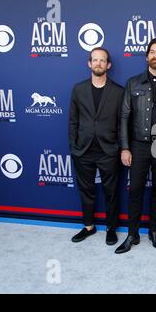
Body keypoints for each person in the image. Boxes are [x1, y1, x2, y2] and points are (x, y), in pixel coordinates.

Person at [115, 38, 156, 254]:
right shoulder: (133, 83)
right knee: (135, 190)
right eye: (152, 52)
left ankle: (153, 231)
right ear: (146, 57)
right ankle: (132, 234)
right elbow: (124, 116)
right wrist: (125, 148)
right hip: (138, 145)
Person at [69, 47, 124, 245]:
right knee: (86, 190)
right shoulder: (78, 89)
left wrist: (119, 147)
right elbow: (73, 121)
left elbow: (121, 123)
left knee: (111, 191)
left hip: (108, 150)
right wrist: (74, 147)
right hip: (83, 150)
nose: (98, 63)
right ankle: (88, 226)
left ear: (108, 65)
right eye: (95, 60)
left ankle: (111, 228)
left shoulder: (118, 91)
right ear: (89, 64)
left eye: (102, 60)